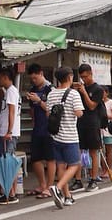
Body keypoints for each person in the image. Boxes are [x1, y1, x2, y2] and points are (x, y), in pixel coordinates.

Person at [47, 66, 85, 208]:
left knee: (61, 165)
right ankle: (58, 187)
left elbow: (48, 114)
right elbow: (79, 112)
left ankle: (67, 196)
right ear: (70, 77)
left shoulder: (51, 94)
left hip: (56, 136)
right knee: (75, 164)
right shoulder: (73, 94)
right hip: (70, 136)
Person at [25, 63, 56, 198]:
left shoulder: (51, 89)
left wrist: (39, 101)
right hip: (37, 128)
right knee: (35, 158)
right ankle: (42, 184)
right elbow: (32, 110)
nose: (34, 81)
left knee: (50, 158)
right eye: (32, 79)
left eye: (35, 78)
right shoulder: (33, 89)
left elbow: (52, 109)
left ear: (41, 74)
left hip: (49, 128)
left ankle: (50, 187)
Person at [73, 64, 105, 192]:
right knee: (79, 151)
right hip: (80, 122)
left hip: (93, 123)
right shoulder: (80, 88)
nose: (83, 80)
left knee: (93, 152)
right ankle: (78, 180)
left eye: (85, 77)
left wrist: (84, 92)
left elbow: (92, 106)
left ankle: (93, 179)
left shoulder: (98, 89)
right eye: (81, 77)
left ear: (91, 74)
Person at [0, 67, 21, 204]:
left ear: (5, 77)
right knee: (8, 161)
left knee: (7, 162)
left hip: (8, 133)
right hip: (6, 131)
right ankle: (10, 192)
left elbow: (11, 112)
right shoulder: (10, 92)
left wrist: (9, 131)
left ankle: (9, 193)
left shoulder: (11, 91)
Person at [99, 86, 112, 181]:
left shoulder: (111, 102)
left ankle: (109, 169)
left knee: (109, 149)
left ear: (106, 93)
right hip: (99, 128)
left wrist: (106, 116)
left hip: (109, 129)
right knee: (101, 150)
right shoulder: (98, 102)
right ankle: (103, 169)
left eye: (103, 92)